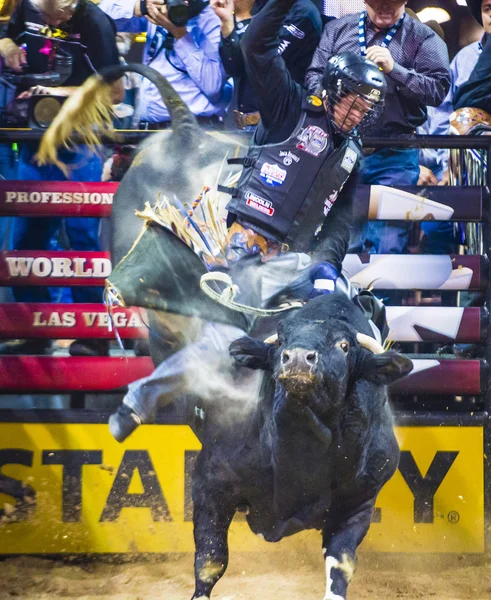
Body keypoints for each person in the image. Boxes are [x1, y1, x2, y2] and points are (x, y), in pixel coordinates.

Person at [108, 0, 388, 442]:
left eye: (364, 108)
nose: (356, 114)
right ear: (333, 90)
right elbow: (257, 45)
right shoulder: (289, 108)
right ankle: (137, 402)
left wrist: (327, 267)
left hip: (300, 264)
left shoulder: (351, 155)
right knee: (220, 342)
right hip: (245, 251)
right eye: (352, 103)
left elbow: (338, 222)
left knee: (366, 321)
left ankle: (355, 441)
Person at [0, 0, 124, 356]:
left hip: (80, 143)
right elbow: (7, 36)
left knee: (83, 238)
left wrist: (59, 93)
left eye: (57, 16)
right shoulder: (27, 7)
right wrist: (8, 47)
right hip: (34, 141)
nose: (51, 20)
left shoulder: (97, 23)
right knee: (26, 240)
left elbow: (114, 93)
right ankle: (32, 330)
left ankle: (94, 335)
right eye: (44, 14)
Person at [305, 0, 450, 255]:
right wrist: (326, 95)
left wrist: (396, 70)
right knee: (338, 236)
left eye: (390, 1)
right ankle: (338, 295)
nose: (383, 6)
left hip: (395, 151)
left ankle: (380, 296)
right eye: (376, 1)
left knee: (388, 242)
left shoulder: (423, 37)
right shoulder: (338, 30)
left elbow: (438, 90)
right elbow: (314, 74)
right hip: (340, 150)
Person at [99, 0, 230, 129]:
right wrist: (142, 6)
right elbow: (99, 17)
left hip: (195, 131)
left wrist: (180, 35)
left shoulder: (215, 17)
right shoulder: (161, 9)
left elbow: (213, 86)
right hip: (151, 130)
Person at [211, 0, 322, 130]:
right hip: (243, 123)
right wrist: (227, 22)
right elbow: (235, 68)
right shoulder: (259, 7)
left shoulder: (303, 12)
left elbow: (261, 63)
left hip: (279, 126)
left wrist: (244, 15)